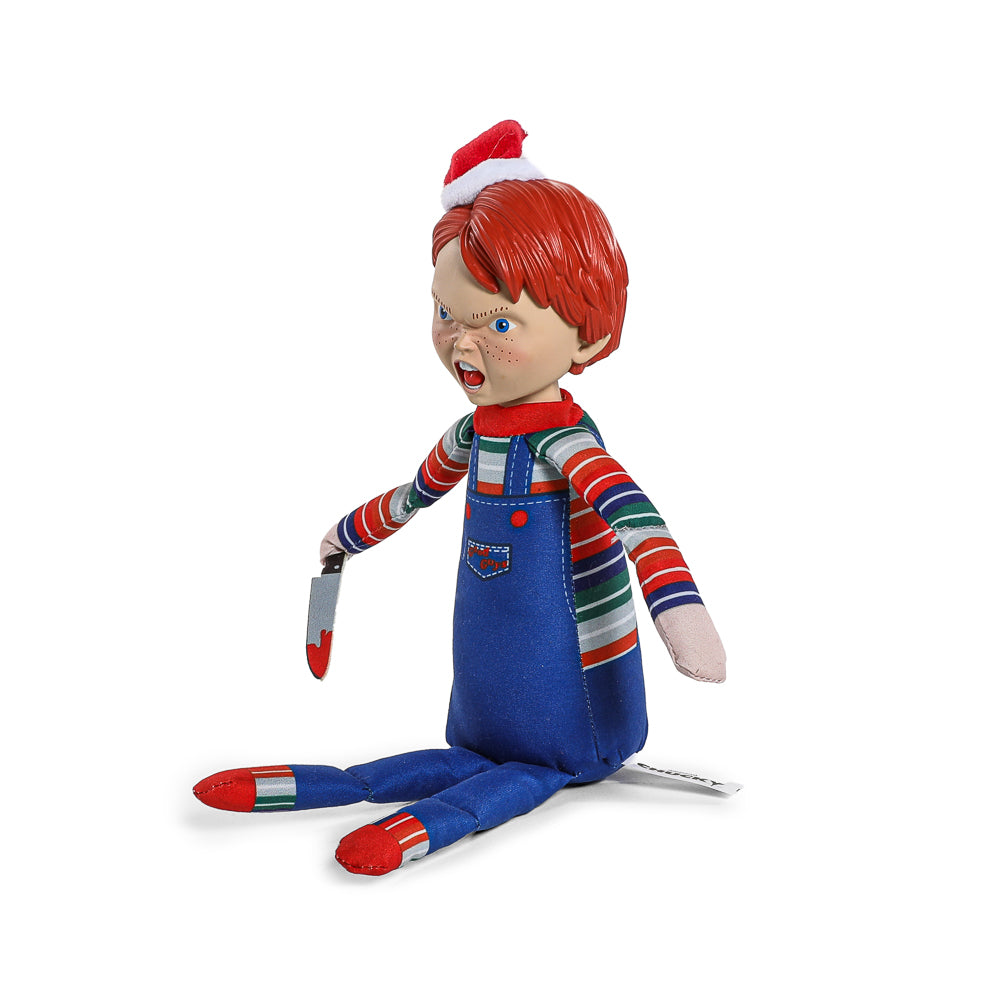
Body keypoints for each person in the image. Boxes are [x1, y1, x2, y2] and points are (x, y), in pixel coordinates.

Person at [194, 121, 726, 876]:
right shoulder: (473, 436)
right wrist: (345, 538)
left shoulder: (567, 446)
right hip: (480, 697)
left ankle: (430, 823)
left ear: (586, 337)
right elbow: (415, 495)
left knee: (512, 780)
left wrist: (682, 617)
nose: (462, 344)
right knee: (390, 773)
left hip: (575, 716)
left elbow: (638, 522)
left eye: (498, 323)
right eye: (447, 314)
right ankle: (317, 785)